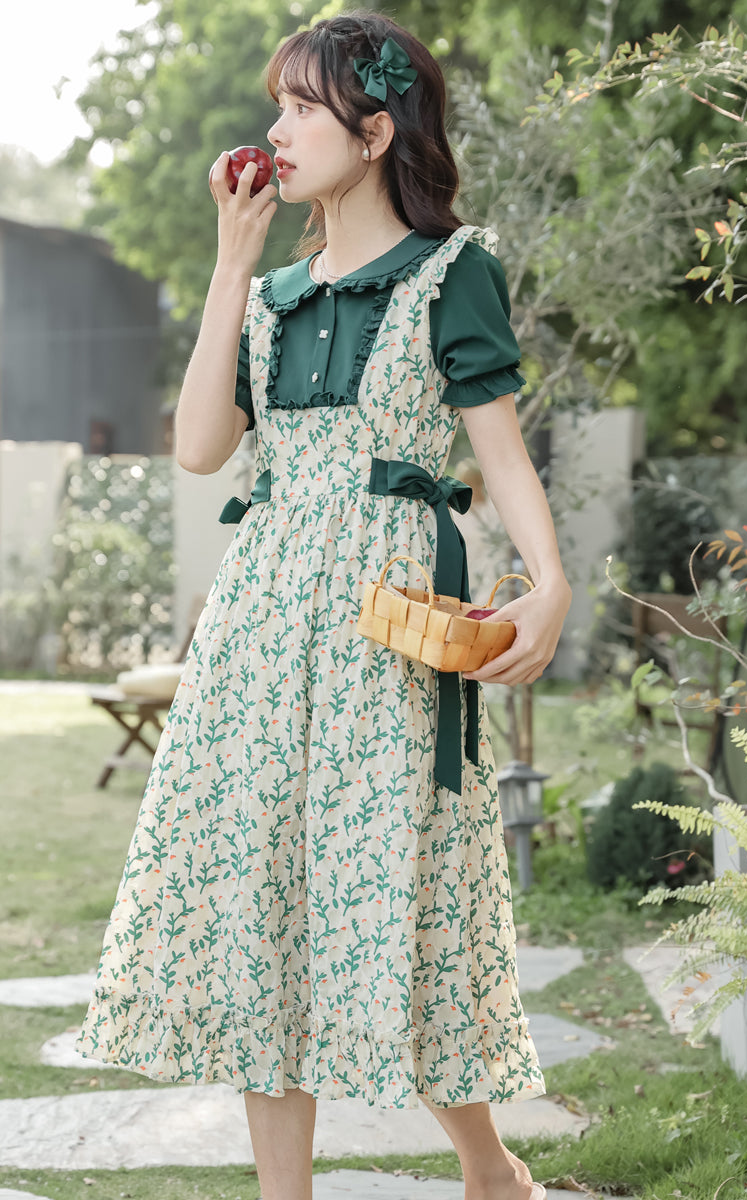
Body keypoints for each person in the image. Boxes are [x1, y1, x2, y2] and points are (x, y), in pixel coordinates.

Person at [77, 11, 571, 1200]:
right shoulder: (272, 290)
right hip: (259, 626)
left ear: (375, 129)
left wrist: (550, 584)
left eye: (301, 108)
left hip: (383, 626)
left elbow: (501, 458)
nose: (274, 129)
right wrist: (230, 263)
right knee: (261, 897)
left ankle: (486, 1164)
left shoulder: (455, 271)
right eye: (279, 106)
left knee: (396, 886)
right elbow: (200, 448)